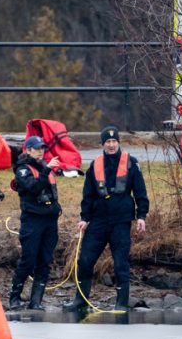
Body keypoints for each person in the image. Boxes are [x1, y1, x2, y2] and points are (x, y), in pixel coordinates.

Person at [63, 126, 149, 312]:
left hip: (121, 221)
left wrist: (141, 216)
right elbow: (88, 194)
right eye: (108, 142)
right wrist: (84, 218)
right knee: (85, 260)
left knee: (120, 263)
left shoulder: (131, 163)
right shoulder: (95, 165)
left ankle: (122, 303)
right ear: (102, 144)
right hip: (98, 221)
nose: (111, 145)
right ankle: (81, 301)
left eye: (114, 141)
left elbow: (140, 191)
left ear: (118, 142)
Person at [9, 135, 61, 310]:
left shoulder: (45, 167)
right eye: (37, 148)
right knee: (28, 259)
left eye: (42, 148)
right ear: (28, 150)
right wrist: (46, 171)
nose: (41, 151)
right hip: (32, 220)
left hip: (49, 220)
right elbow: (33, 187)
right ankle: (14, 298)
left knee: (45, 261)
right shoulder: (23, 169)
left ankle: (36, 301)